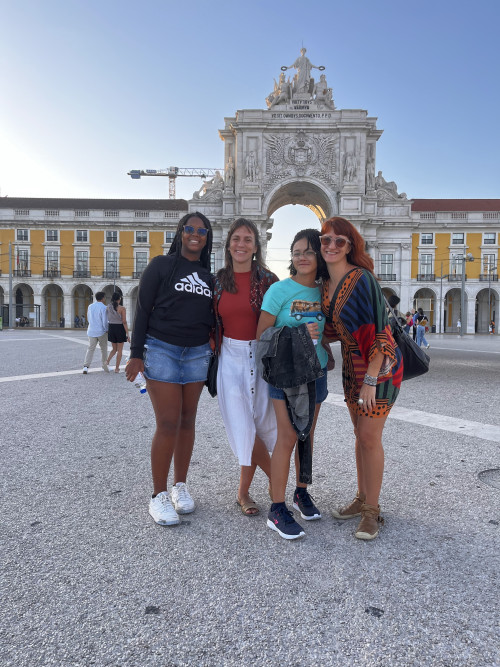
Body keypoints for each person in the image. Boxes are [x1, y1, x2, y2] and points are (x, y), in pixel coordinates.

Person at [125, 212, 214, 527]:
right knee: (167, 422)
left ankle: (180, 486)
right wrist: (136, 354)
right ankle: (157, 496)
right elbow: (143, 309)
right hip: (161, 350)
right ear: (181, 233)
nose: (195, 234)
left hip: (197, 354)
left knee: (187, 421)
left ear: (207, 238)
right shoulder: (161, 265)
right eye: (190, 229)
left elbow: (212, 316)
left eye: (202, 231)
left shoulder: (209, 277)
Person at [320, 216, 403, 540]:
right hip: (351, 367)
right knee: (359, 436)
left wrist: (371, 378)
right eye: (325, 239)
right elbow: (334, 327)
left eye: (338, 241)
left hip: (378, 368)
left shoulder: (363, 278)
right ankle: (361, 497)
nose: (331, 245)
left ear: (350, 245)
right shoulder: (326, 285)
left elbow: (382, 331)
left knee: (370, 438)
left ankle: (372, 512)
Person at [256, 229, 329, 540]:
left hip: (318, 370)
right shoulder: (279, 291)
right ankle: (276, 508)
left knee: (307, 435)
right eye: (297, 251)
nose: (301, 256)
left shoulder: (326, 291)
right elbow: (262, 336)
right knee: (287, 436)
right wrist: (298, 335)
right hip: (285, 373)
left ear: (319, 257)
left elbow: (333, 329)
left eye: (309, 251)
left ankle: (301, 492)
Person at [213, 218, 279, 516]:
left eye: (248, 239)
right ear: (228, 244)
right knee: (242, 424)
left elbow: (283, 315)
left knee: (264, 425)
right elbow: (207, 320)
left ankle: (243, 492)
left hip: (262, 356)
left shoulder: (268, 279)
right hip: (229, 356)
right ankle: (276, 481)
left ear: (256, 246)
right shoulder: (217, 280)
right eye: (236, 238)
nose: (241, 244)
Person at [83, 292, 109, 374]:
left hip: (91, 330)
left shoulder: (90, 306)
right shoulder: (104, 307)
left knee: (90, 349)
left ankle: (85, 367)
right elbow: (104, 321)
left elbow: (88, 318)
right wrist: (106, 329)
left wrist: (92, 325)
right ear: (103, 298)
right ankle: (105, 366)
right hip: (101, 331)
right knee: (103, 349)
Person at [106, 292, 130, 373]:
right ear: (119, 299)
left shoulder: (108, 307)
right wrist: (127, 334)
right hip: (119, 328)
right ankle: (117, 368)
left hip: (111, 328)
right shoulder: (122, 308)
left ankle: (107, 362)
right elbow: (124, 321)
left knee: (114, 349)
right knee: (120, 350)